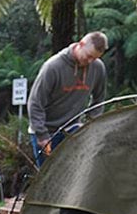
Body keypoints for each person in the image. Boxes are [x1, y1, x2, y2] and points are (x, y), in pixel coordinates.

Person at [25, 31, 109, 165]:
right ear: (81, 44)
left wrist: (92, 125)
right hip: (46, 131)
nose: (90, 61)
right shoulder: (53, 67)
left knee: (76, 172)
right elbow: (35, 103)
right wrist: (42, 135)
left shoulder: (98, 68)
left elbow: (99, 100)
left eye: (94, 58)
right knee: (49, 173)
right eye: (88, 56)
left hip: (73, 129)